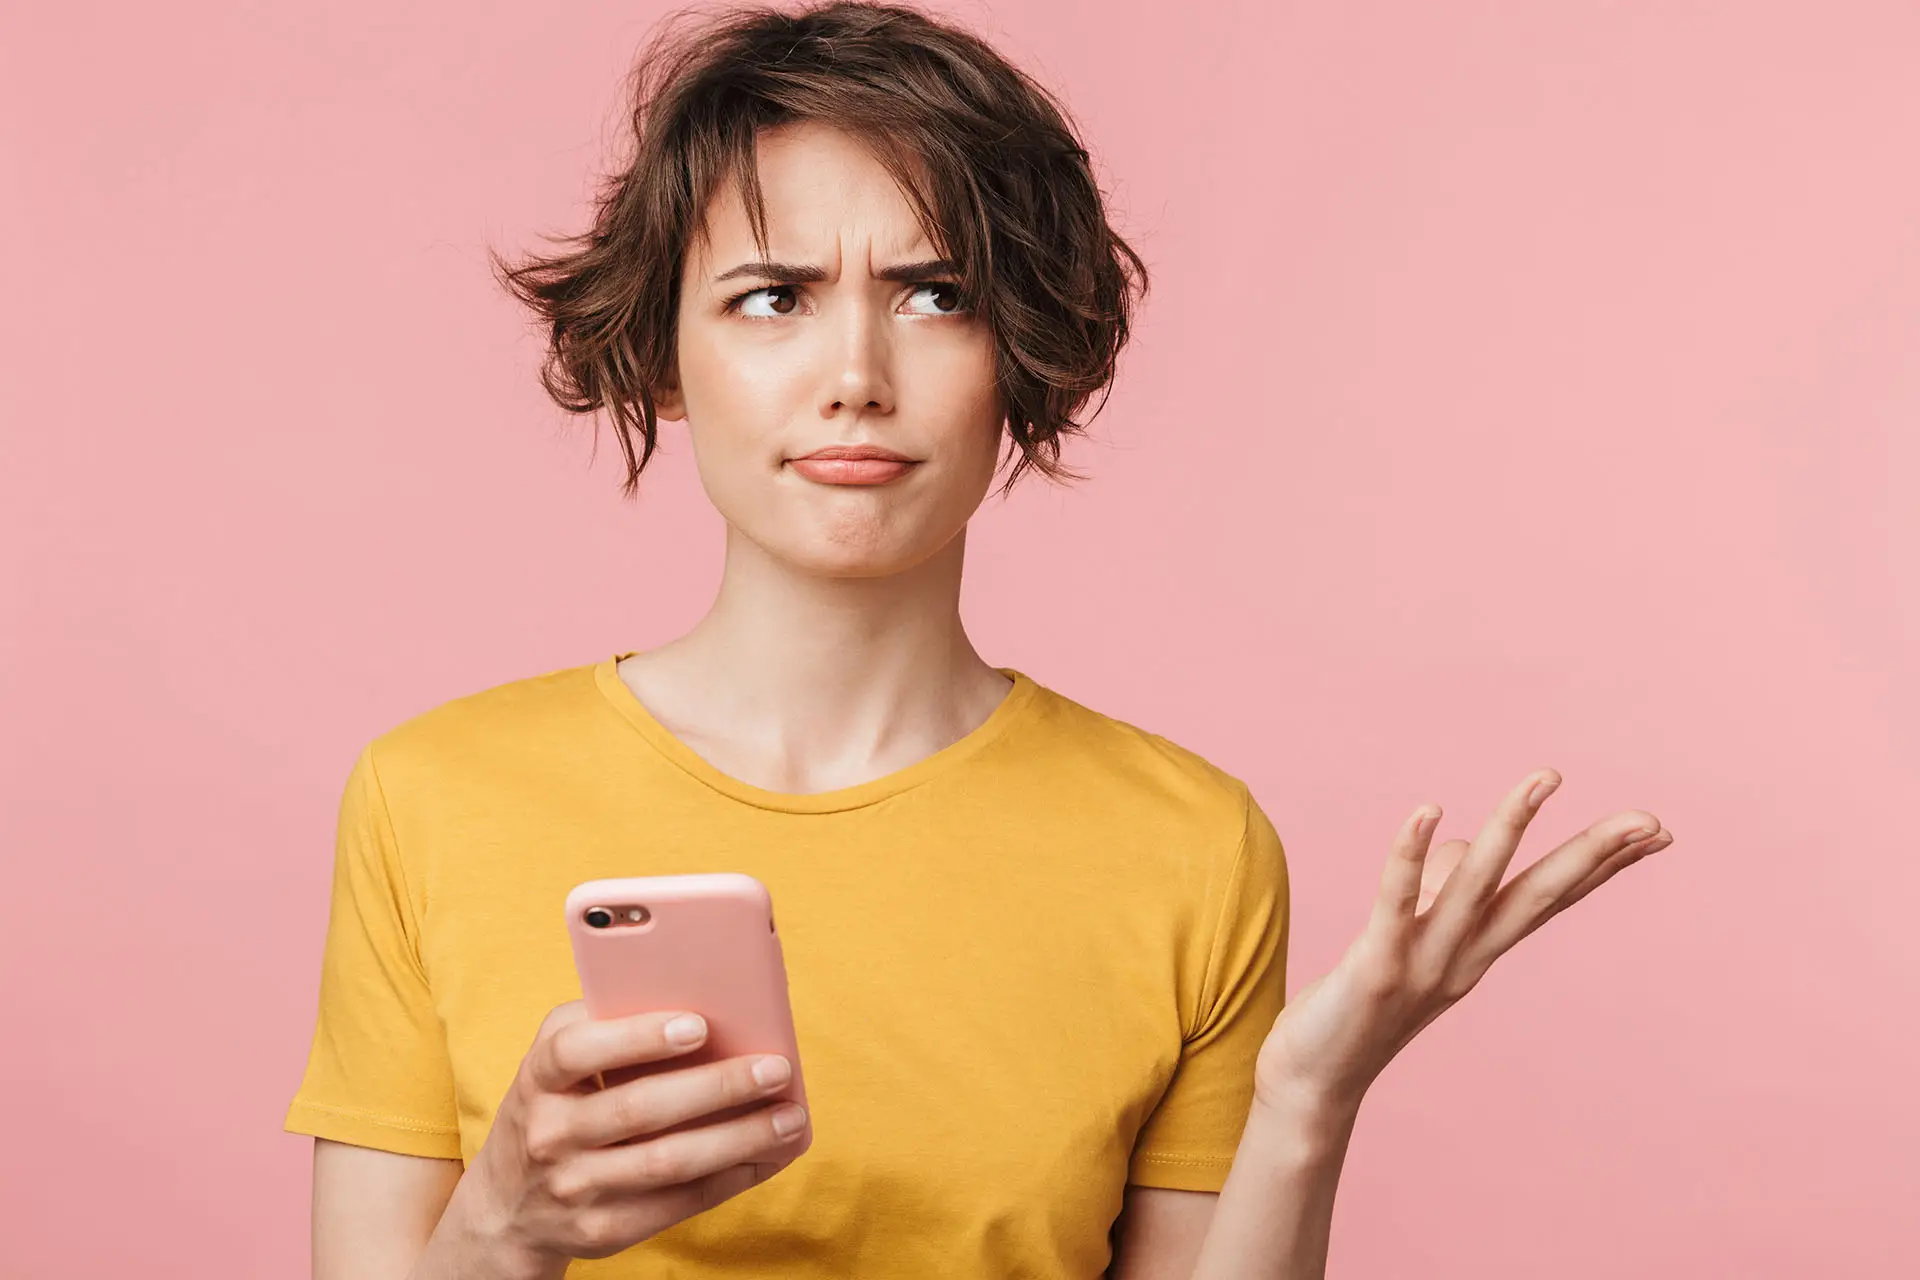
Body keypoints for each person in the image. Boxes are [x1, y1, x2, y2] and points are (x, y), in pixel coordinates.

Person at [284, 3, 1676, 1277]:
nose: (855, 378)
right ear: (661, 352)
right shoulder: (433, 797)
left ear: (1019, 355)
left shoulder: (1188, 844)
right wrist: (500, 1232)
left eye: (935, 294)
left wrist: (1307, 1104)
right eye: (773, 296)